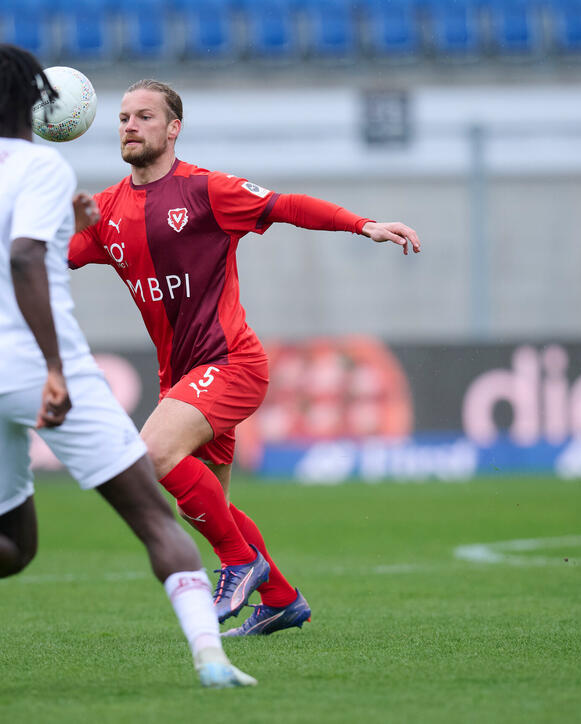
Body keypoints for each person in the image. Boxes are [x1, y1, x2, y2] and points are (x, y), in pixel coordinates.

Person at [0, 45, 255, 688]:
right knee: (153, 514)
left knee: (10, 539)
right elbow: (27, 259)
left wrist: (74, 227)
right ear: (40, 106)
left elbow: (5, 252)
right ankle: (212, 656)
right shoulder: (43, 165)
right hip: (35, 366)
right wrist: (56, 368)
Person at [69, 79, 422, 636]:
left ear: (173, 128)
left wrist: (363, 224)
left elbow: (286, 206)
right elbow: (47, 256)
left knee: (152, 455)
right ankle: (280, 598)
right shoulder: (107, 210)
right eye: (122, 118)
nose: (130, 126)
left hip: (230, 362)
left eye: (144, 116)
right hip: (182, 377)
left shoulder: (206, 190)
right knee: (206, 506)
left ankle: (240, 563)